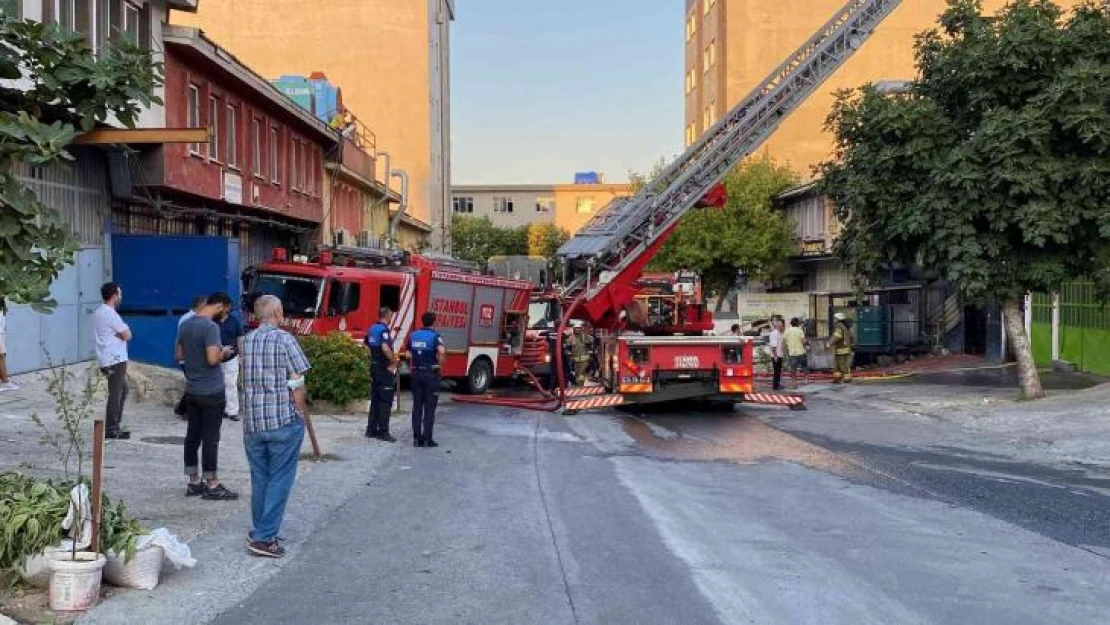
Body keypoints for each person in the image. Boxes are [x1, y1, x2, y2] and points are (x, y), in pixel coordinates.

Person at [240, 295, 311, 558]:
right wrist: (300, 411)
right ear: (279, 313)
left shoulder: (246, 341)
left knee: (260, 478)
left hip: (253, 423)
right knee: (280, 478)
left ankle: (260, 529)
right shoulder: (284, 339)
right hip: (282, 419)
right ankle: (264, 539)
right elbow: (297, 378)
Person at [177, 292, 238, 500]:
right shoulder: (211, 327)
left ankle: (193, 481)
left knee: (192, 436)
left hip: (192, 389)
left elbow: (179, 355)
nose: (225, 315)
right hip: (211, 390)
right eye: (226, 310)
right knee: (211, 438)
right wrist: (223, 353)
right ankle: (212, 483)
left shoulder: (185, 324)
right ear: (220, 306)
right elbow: (213, 359)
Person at [92, 283, 132, 439]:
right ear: (114, 296)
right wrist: (121, 334)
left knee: (123, 390)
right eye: (120, 294)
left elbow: (122, 334)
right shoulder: (110, 314)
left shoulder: (100, 312)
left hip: (107, 357)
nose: (121, 297)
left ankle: (114, 424)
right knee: (116, 393)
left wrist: (120, 334)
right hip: (115, 358)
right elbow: (127, 335)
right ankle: (111, 428)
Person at [406, 311, 446, 448]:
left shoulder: (413, 335)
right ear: (434, 322)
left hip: (416, 373)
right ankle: (428, 439)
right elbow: (441, 351)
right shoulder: (435, 336)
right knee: (429, 408)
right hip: (430, 374)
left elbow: (407, 354)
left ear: (422, 321)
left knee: (417, 407)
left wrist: (412, 367)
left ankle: (417, 439)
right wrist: (439, 367)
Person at [365, 307, 399, 442]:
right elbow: (385, 348)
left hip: (374, 366)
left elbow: (366, 345)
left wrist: (373, 359)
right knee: (385, 400)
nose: (391, 319)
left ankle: (371, 430)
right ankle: (383, 432)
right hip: (384, 369)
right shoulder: (384, 330)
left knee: (375, 399)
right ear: (387, 316)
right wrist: (394, 360)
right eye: (391, 316)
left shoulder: (372, 328)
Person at [175, 296, 208, 418]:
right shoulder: (189, 319)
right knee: (194, 384)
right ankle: (187, 411)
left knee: (192, 383)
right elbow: (182, 340)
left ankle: (181, 409)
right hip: (189, 357)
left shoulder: (188, 318)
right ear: (201, 305)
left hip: (189, 356)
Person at [218, 303, 245, 422]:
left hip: (232, 356)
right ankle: (221, 409)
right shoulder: (212, 320)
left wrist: (241, 355)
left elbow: (240, 337)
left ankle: (232, 411)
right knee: (219, 384)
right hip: (215, 355)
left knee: (231, 383)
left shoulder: (234, 321)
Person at [783, 317, 809, 389]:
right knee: (804, 367)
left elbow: (784, 343)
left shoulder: (787, 331)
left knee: (793, 369)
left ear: (791, 323)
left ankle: (794, 383)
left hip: (792, 354)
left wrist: (785, 353)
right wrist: (807, 345)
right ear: (797, 323)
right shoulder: (800, 331)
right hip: (801, 352)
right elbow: (803, 341)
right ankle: (806, 380)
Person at [829, 312, 855, 384]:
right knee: (837, 365)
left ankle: (847, 379)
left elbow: (836, 337)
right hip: (844, 349)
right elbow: (851, 337)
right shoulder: (845, 327)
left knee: (842, 365)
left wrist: (829, 344)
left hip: (841, 350)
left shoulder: (839, 327)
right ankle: (836, 378)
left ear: (837, 319)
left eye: (835, 318)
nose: (834, 320)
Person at [0, 297, 15, 391]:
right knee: (1, 356)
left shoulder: (2, 311)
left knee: (2, 356)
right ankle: (5, 382)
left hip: (1, 334)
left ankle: (4, 381)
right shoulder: (2, 311)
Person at [768, 317, 785, 391]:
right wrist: (775, 356)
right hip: (776, 355)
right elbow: (773, 346)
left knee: (778, 371)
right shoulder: (774, 333)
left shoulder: (779, 333)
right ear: (777, 325)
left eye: (781, 325)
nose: (780, 326)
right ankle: (775, 386)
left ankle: (777, 384)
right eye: (779, 324)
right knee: (776, 371)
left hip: (780, 354)